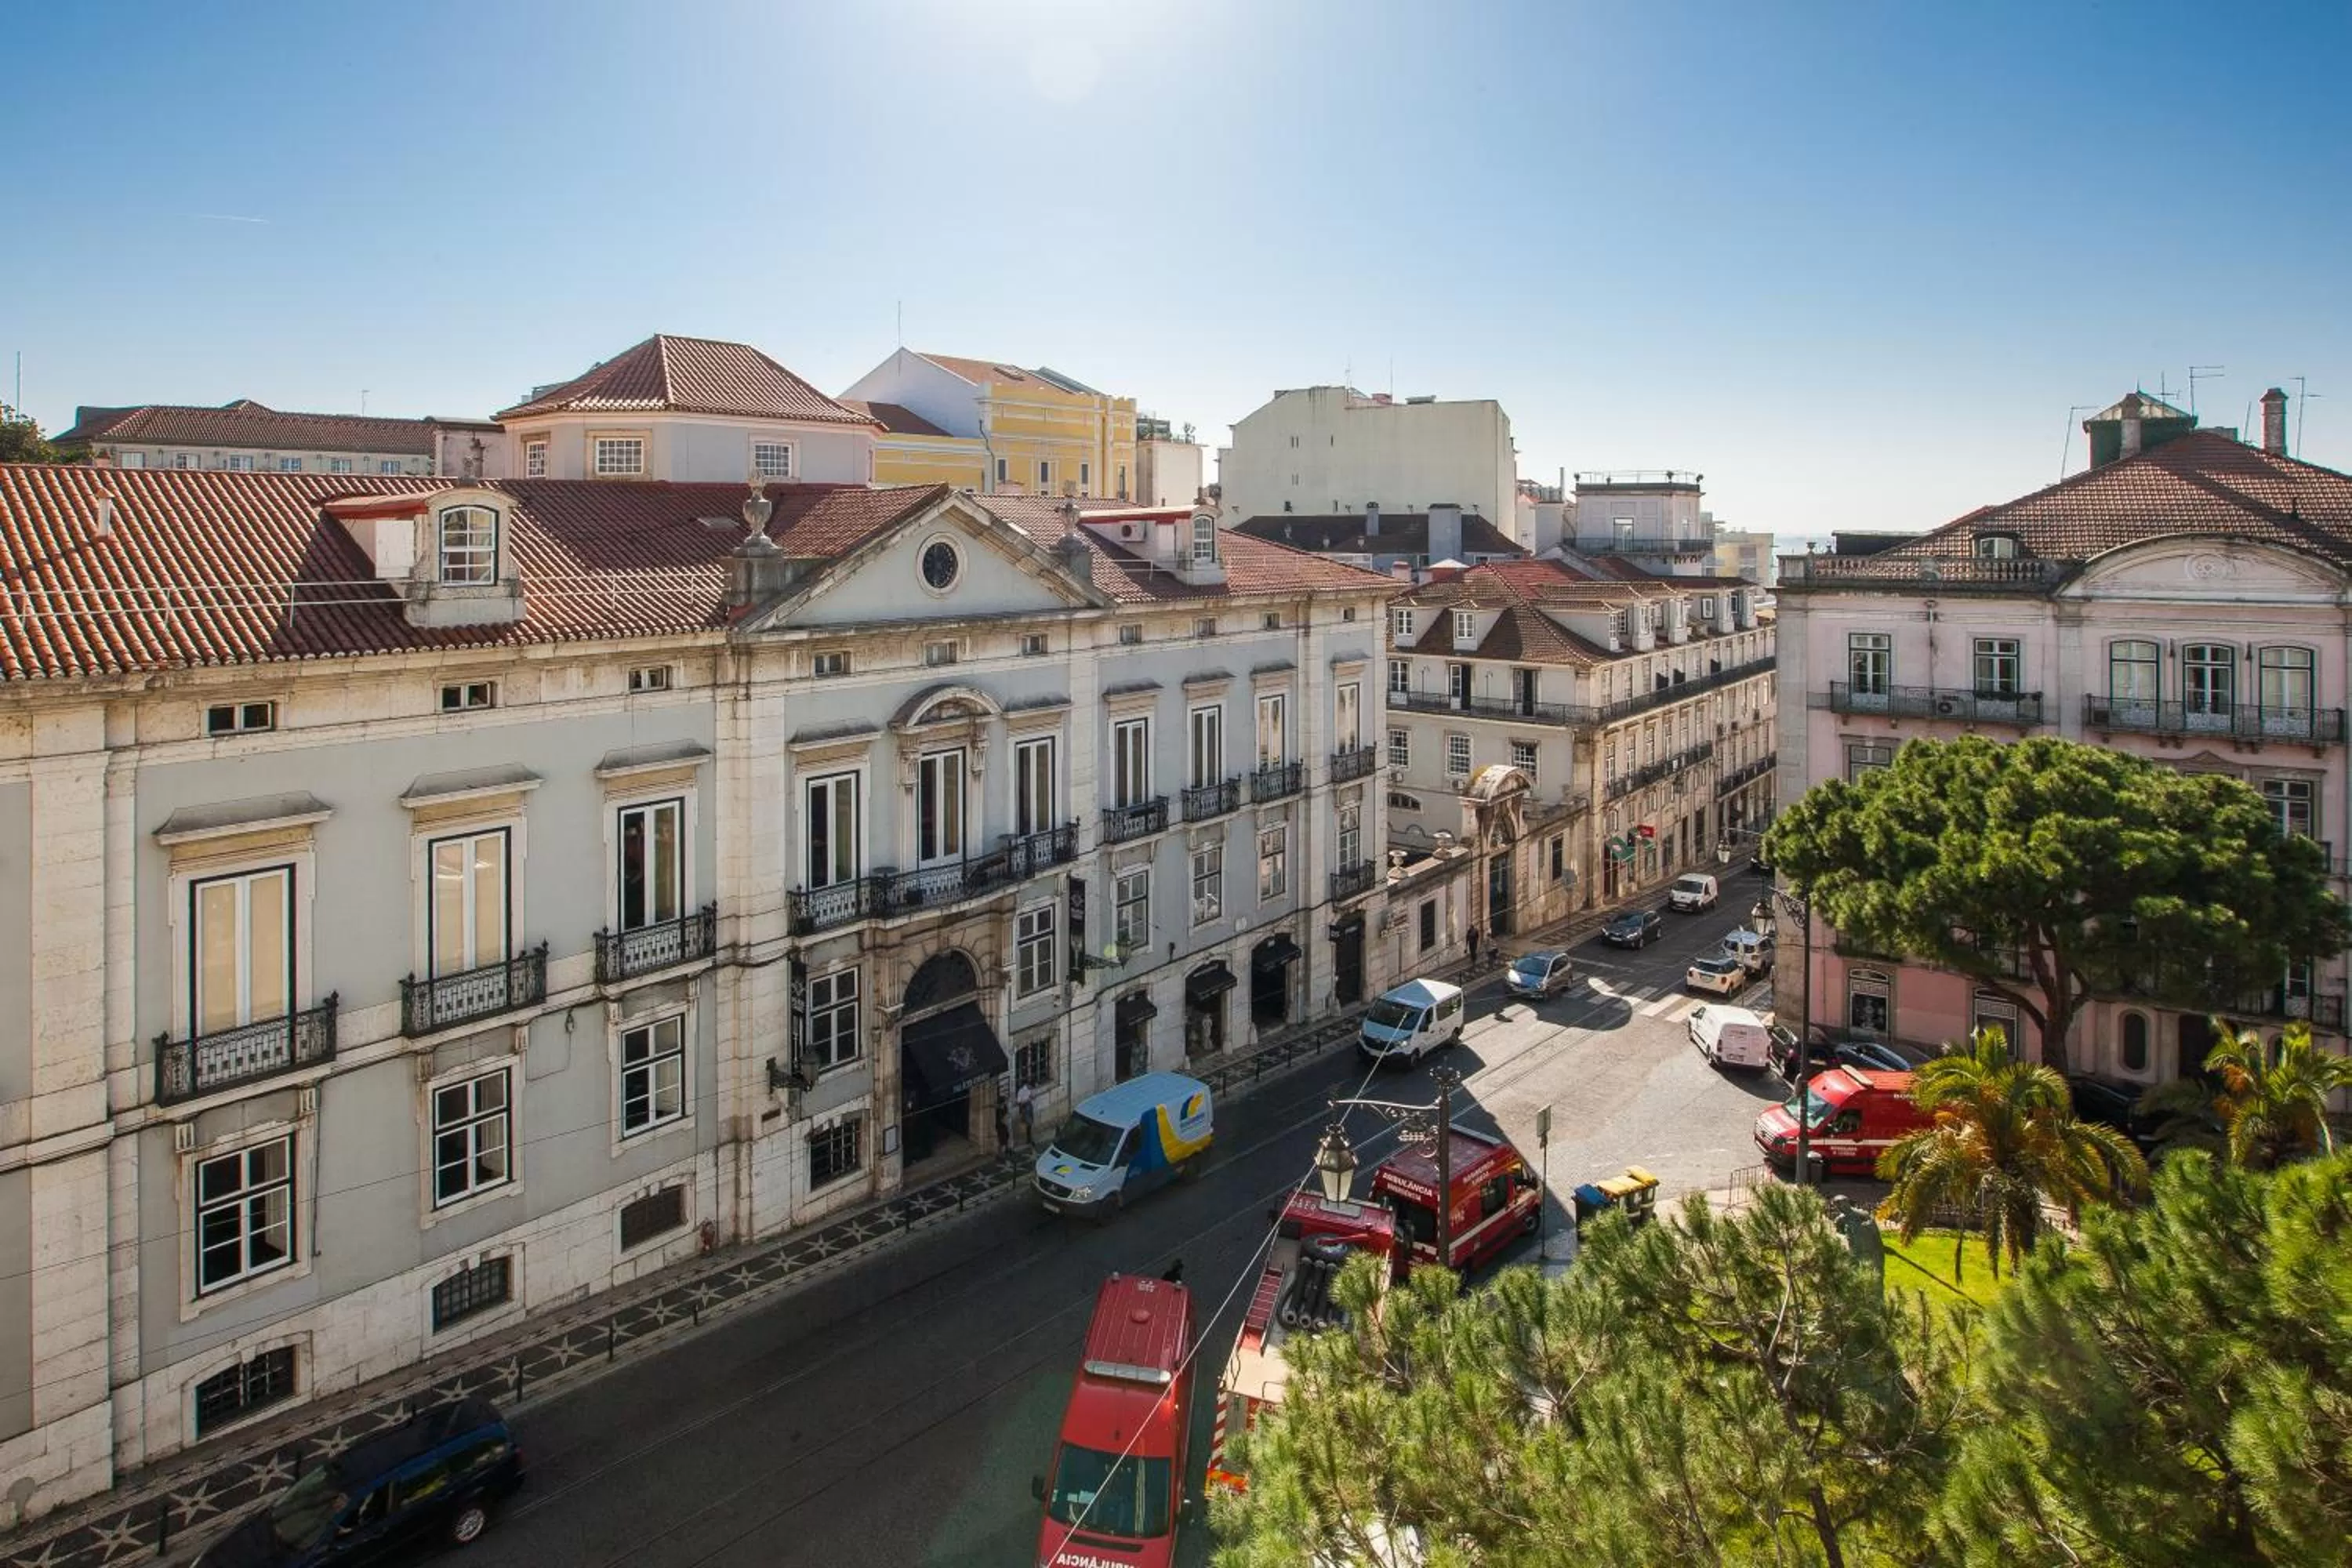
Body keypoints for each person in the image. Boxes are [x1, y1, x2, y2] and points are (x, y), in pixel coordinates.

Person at [1013, 1080, 1036, 1148]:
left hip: (1029, 1107)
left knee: (1030, 1123)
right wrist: (1027, 1100)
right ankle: (1029, 1139)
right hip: (1025, 1108)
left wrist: (1032, 1097)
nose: (1031, 1089)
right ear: (1028, 1085)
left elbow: (1032, 1097)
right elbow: (1019, 1101)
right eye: (1031, 1087)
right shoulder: (1021, 1091)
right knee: (1028, 1123)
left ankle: (1029, 1138)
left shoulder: (1030, 1090)